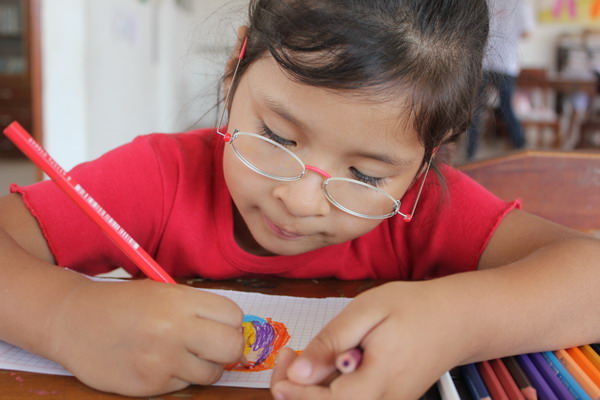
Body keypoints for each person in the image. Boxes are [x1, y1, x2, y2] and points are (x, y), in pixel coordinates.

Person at [0, 1, 598, 399]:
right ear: (237, 67)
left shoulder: (427, 211)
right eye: (278, 137)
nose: (303, 200)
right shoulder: (160, 177)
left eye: (365, 176)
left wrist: (456, 321)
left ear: (431, 154)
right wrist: (65, 318)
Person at [466, 0, 535, 160]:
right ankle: (519, 150)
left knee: (483, 110)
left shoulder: (517, 4)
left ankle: (519, 149)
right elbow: (527, 32)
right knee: (492, 109)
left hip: (499, 63)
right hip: (491, 63)